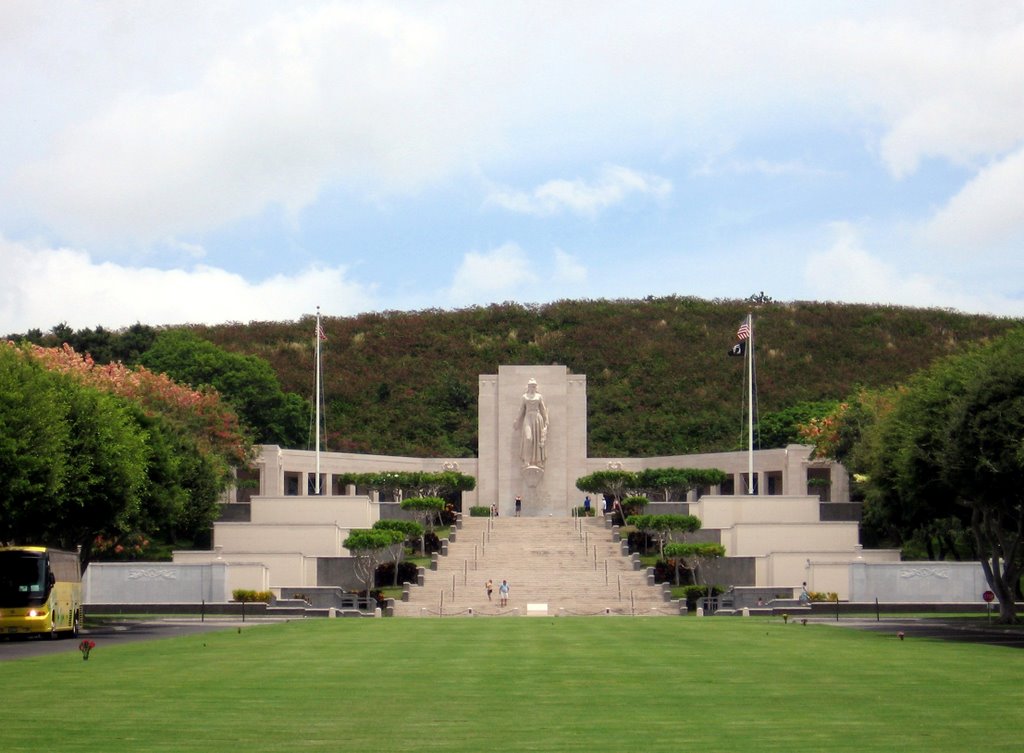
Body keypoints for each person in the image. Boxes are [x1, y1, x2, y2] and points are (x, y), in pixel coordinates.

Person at [513, 378, 548, 469]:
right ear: (528, 387)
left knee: (537, 439)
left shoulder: (539, 397)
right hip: (528, 418)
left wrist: (546, 419)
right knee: (528, 438)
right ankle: (526, 460)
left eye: (534, 386)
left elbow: (543, 409)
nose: (532, 387)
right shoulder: (525, 397)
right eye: (531, 386)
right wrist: (517, 420)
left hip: (537, 418)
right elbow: (521, 410)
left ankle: (538, 461)